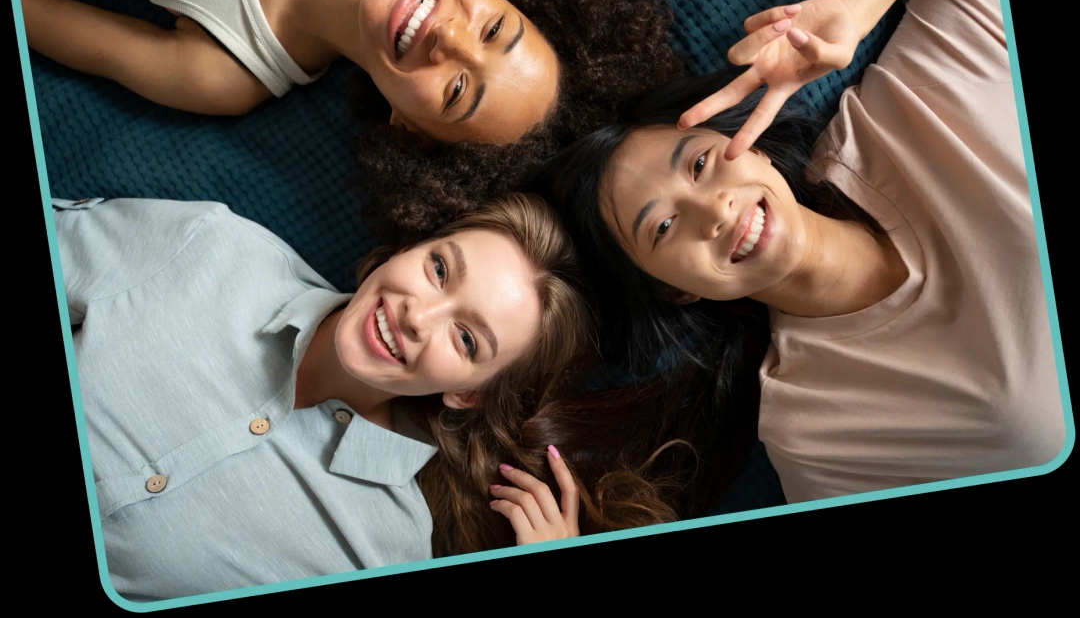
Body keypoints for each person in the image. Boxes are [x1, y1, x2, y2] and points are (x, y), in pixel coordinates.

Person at [528, 0, 1066, 504]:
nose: (713, 210)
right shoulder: (809, 430)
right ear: (676, 291)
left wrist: (856, 6)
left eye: (700, 164)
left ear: (748, 144)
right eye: (663, 227)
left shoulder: (901, 117)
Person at [54, 191, 682, 602]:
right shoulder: (213, 247)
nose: (417, 316)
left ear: (467, 393)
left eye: (466, 338)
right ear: (410, 247)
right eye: (439, 269)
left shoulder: (385, 550)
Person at [18, 0, 685, 237]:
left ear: (408, 131)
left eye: (457, 91)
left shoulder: (224, 69)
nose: (450, 40)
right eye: (494, 29)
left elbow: (27, 2)